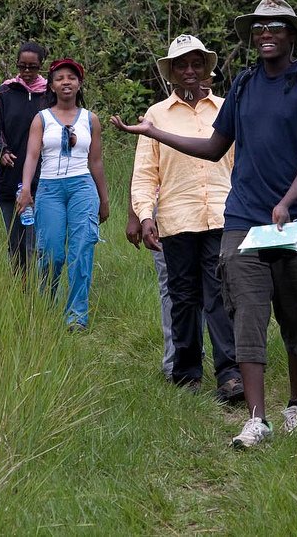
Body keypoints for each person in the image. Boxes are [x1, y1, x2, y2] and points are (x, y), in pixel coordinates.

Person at [111, 0, 297, 448]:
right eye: (258, 28)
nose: (265, 33)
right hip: (241, 219)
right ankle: (256, 419)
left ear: (292, 33)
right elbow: (215, 147)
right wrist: (154, 134)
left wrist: (289, 200)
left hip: (296, 222)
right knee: (244, 312)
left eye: (276, 25)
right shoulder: (246, 86)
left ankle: (295, 405)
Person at [129, 34, 242, 402]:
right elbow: (146, 173)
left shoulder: (227, 109)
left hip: (223, 216)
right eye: (182, 65)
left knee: (220, 296)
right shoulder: (156, 115)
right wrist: (146, 216)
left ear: (206, 68)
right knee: (182, 297)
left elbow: (241, 165)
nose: (190, 71)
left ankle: (229, 374)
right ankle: (187, 372)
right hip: (176, 219)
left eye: (196, 63)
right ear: (172, 73)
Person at [17, 58, 110, 330]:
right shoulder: (41, 118)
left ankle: (76, 316)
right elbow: (32, 156)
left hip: (82, 186)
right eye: (59, 78)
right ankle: (48, 307)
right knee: (52, 253)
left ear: (79, 83)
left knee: (81, 251)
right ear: (52, 85)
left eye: (71, 77)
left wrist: (104, 199)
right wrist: (25, 190)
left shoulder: (90, 119)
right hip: (49, 189)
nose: (66, 82)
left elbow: (96, 162)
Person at [0, 41, 50, 271]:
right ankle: (19, 289)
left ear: (41, 66)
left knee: (36, 241)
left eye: (32, 67)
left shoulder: (48, 94)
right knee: (15, 240)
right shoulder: (4, 92)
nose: (27, 72)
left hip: (41, 177)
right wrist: (0, 151)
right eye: (22, 66)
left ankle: (39, 290)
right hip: (9, 176)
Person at [125, 190, 175, 380]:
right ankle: (173, 361)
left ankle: (193, 350)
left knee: (204, 283)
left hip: (205, 207)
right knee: (170, 285)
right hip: (160, 208)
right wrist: (134, 215)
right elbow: (140, 170)